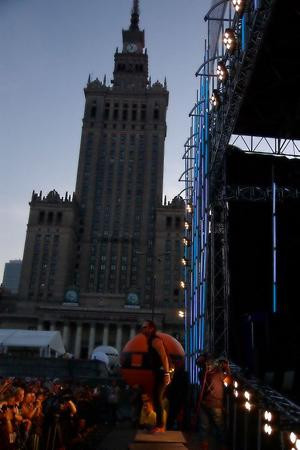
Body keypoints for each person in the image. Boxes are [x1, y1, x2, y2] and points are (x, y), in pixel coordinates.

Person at [140, 320, 171, 433]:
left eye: (145, 327)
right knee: (156, 398)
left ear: (151, 328)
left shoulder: (156, 340)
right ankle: (159, 425)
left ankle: (160, 425)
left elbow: (164, 357)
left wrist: (167, 374)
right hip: (158, 373)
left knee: (158, 398)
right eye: (142, 327)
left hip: (162, 373)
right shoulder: (150, 341)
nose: (143, 329)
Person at [196, 354, 231, 450]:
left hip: (204, 404)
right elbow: (228, 381)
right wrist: (227, 369)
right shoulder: (218, 373)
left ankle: (205, 445)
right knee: (220, 427)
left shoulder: (201, 374)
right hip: (215, 404)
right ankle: (223, 446)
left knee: (204, 426)